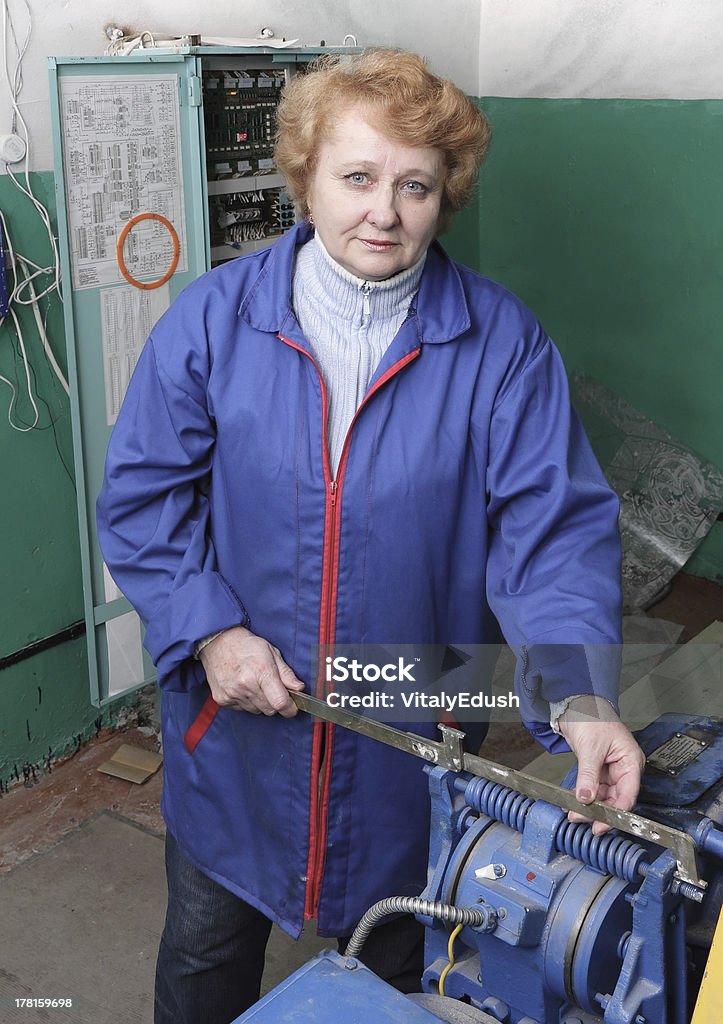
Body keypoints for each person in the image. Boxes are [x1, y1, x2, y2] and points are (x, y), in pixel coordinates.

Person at [96, 48, 646, 1024]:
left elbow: (551, 532)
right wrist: (212, 630)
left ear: (448, 195)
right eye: (357, 177)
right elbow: (144, 500)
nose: (384, 212)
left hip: (410, 732)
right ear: (305, 178)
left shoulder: (502, 347)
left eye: (415, 186)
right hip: (239, 733)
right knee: (204, 956)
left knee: (397, 969)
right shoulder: (214, 325)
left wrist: (580, 695)